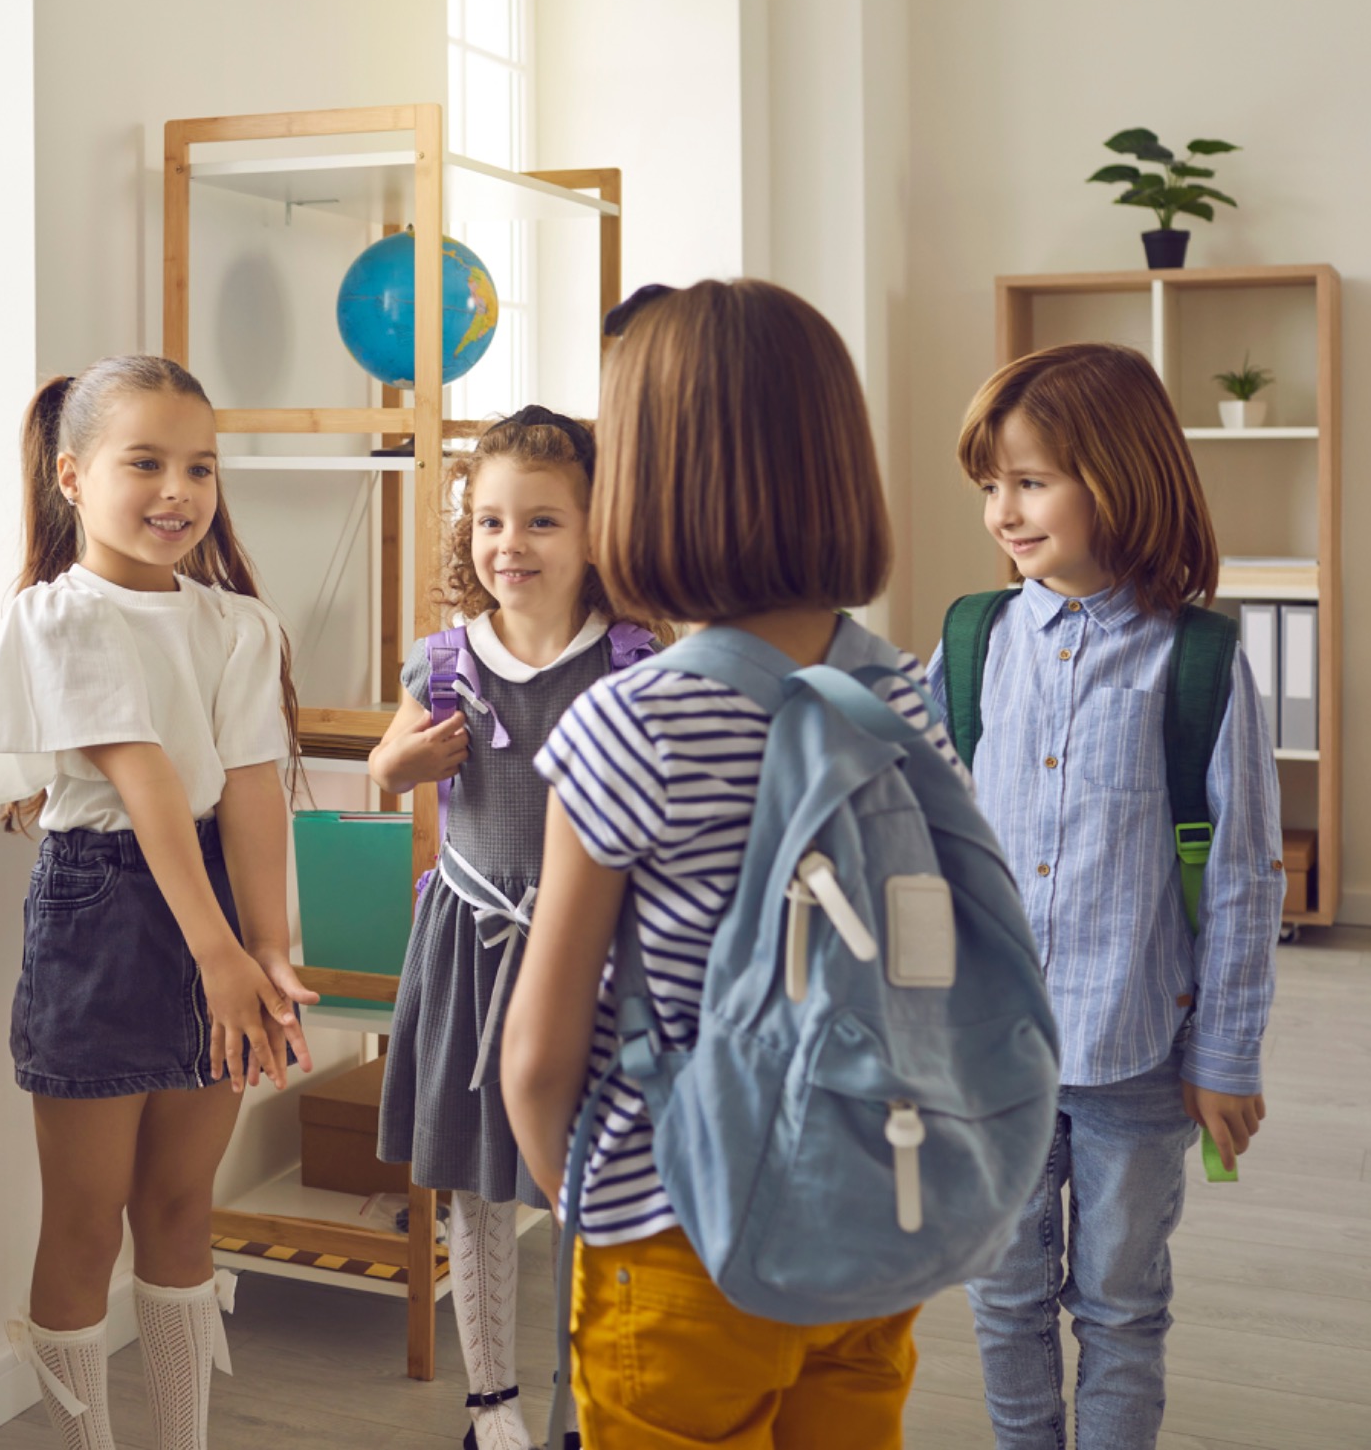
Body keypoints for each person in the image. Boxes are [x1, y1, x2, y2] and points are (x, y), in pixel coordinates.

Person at [503, 279, 944, 1449]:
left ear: (645, 480)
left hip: (680, 1230)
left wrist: (590, 1203)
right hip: (867, 1211)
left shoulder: (630, 722)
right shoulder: (903, 693)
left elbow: (538, 1057)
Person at [0, 355, 316, 1450]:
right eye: (146, 462)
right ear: (72, 475)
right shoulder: (60, 617)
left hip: (212, 900)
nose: (179, 490)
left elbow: (251, 788)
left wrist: (268, 950)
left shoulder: (240, 626)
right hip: (102, 914)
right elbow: (146, 776)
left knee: (179, 1207)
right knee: (83, 1220)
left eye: (200, 466)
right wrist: (220, 955)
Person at [940, 342, 1279, 1450]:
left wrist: (1225, 1057)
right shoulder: (972, 642)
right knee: (1003, 1293)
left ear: (1120, 476)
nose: (1003, 510)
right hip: (993, 1053)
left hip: (1138, 1052)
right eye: (991, 484)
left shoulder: (1198, 662)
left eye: (1031, 481)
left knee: (1124, 1306)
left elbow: (1239, 877)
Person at [368, 405, 652, 1450]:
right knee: (477, 1185)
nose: (510, 545)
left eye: (540, 521)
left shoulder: (627, 658)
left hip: (595, 958)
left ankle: (588, 1400)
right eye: (490, 521)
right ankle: (493, 1405)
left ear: (595, 531)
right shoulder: (446, 661)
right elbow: (387, 766)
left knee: (593, 1182)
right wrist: (406, 763)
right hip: (472, 946)